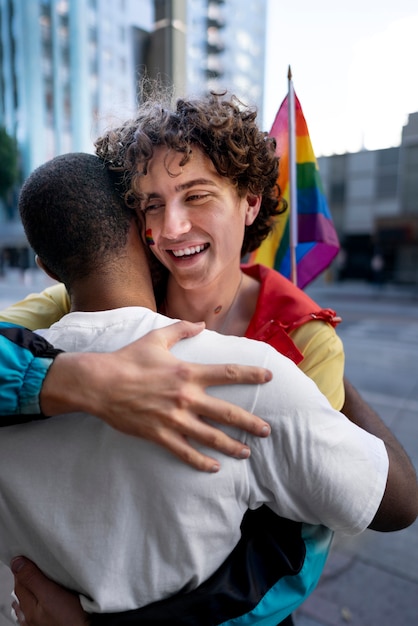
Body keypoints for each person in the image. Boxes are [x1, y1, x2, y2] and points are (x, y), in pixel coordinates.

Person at [2, 91, 417, 625]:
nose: (171, 228)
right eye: (151, 203)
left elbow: (295, 552)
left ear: (250, 201)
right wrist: (70, 377)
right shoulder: (97, 295)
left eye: (195, 195)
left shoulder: (305, 340)